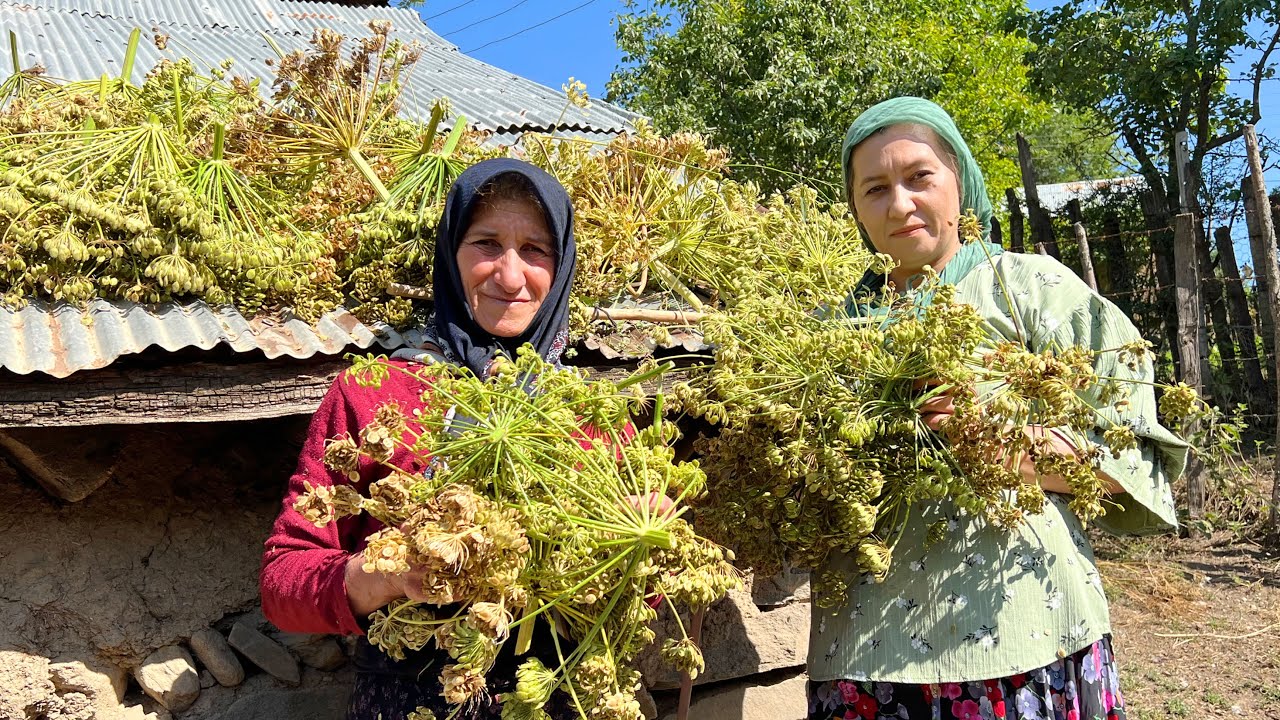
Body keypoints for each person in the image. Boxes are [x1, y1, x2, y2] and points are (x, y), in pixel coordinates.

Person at [807, 97, 1188, 720]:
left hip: (1021, 650)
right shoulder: (824, 331)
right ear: (855, 209)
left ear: (962, 181)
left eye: (919, 177)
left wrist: (998, 443)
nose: (899, 203)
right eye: (874, 188)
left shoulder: (1032, 288)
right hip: (862, 663)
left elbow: (1132, 456)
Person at [261, 158, 582, 720]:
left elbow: (643, 596)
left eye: (536, 250)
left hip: (559, 697)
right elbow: (282, 583)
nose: (511, 276)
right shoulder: (376, 393)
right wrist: (386, 573)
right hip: (406, 701)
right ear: (450, 255)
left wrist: (643, 544)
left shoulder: (584, 411)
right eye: (487, 244)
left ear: (561, 267)